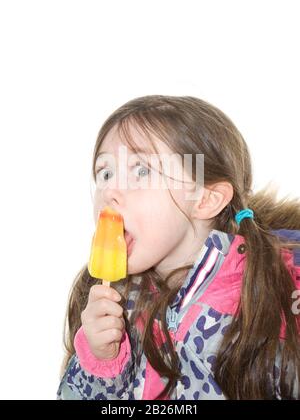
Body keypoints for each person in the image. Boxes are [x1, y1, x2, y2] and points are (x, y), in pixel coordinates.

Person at [57, 95, 300, 400]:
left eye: (141, 170)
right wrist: (100, 362)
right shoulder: (111, 300)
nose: (109, 192)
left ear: (205, 199)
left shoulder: (266, 297)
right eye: (105, 173)